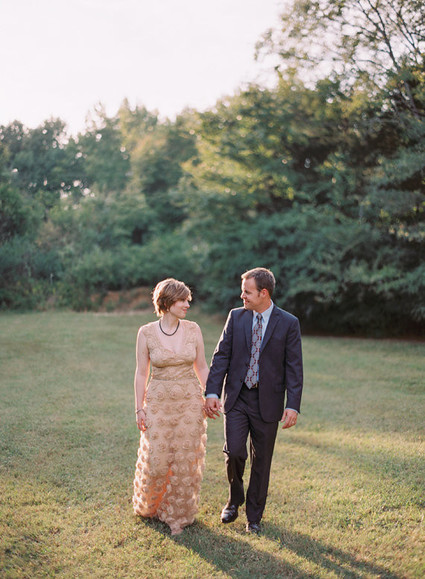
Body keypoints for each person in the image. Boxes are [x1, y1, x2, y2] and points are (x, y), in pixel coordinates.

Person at [205, 267, 303, 534]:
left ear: (264, 293)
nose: (242, 296)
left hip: (268, 402)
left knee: (262, 460)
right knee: (235, 451)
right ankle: (234, 499)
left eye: (247, 292)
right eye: (242, 291)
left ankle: (254, 516)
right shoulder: (236, 317)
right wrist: (212, 392)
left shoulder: (288, 323)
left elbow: (294, 367)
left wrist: (292, 405)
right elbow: (221, 356)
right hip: (237, 397)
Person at [132, 278, 208, 535]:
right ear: (167, 302)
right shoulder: (146, 333)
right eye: (182, 300)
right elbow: (141, 373)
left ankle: (177, 517)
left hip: (189, 401)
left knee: (184, 460)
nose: (187, 304)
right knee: (158, 460)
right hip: (158, 402)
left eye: (188, 300)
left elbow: (202, 366)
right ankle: (152, 506)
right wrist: (139, 408)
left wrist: (210, 395)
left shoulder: (193, 329)